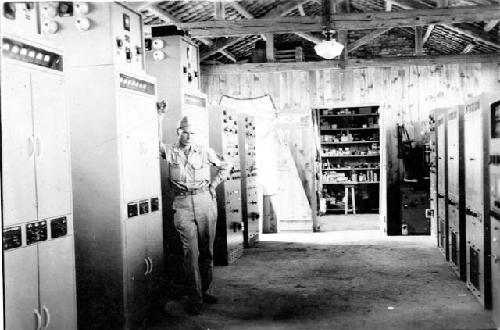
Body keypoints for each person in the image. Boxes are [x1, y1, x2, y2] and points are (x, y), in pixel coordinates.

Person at [160, 116, 232, 315]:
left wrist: (213, 185)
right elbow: (153, 143)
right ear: (178, 132)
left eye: (191, 133)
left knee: (207, 251)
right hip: (182, 204)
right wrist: (159, 117)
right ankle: (195, 298)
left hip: (204, 201)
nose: (188, 136)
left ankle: (206, 290)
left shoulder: (204, 151)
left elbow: (226, 165)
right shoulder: (170, 151)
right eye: (184, 132)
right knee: (189, 254)